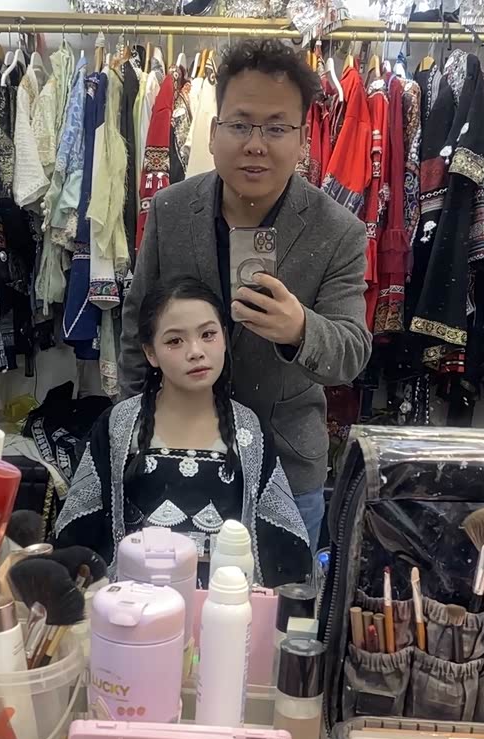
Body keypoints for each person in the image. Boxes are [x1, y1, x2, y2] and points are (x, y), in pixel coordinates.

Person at [119, 39, 371, 549]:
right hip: (174, 454)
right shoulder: (171, 210)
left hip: (286, 469)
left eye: (276, 128)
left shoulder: (338, 231)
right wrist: (130, 430)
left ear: (303, 140)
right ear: (213, 133)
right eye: (240, 124)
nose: (256, 144)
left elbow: (351, 353)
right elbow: (136, 326)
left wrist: (300, 329)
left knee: (279, 599)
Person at [54, 278, 310, 587]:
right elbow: (79, 532)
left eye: (208, 334)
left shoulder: (249, 431)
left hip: (222, 604)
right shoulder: (119, 425)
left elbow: (282, 545)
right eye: (175, 341)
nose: (196, 352)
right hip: (136, 605)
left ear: (224, 339)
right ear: (150, 352)